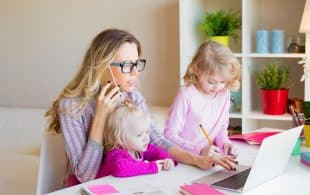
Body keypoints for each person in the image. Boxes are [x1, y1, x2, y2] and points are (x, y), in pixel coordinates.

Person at [45, 29, 236, 187]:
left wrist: (196, 159)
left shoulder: (132, 96)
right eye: (127, 65)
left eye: (137, 64)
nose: (135, 72)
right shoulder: (71, 108)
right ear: (101, 66)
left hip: (128, 183)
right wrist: (100, 117)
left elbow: (158, 140)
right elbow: (86, 176)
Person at [164, 41, 241, 158]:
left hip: (208, 159)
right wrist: (199, 150)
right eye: (212, 82)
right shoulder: (186, 96)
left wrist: (225, 143)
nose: (217, 87)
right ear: (197, 70)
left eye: (223, 82)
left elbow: (221, 131)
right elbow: (170, 135)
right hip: (185, 158)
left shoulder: (224, 94)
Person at [96, 102, 175, 179]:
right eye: (139, 135)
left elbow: (158, 153)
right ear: (121, 140)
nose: (146, 138)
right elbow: (121, 169)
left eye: (147, 132)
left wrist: (167, 160)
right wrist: (153, 166)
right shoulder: (115, 155)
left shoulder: (140, 149)